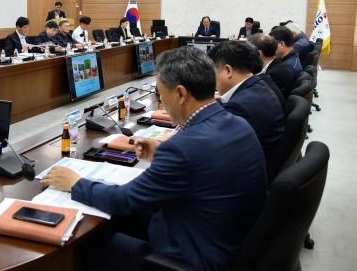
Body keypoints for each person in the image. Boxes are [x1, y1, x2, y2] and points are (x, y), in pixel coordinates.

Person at [41, 46, 267, 271]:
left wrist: (75, 183)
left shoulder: (183, 149)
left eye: (161, 92)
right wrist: (160, 151)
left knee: (87, 240)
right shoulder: (238, 123)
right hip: (225, 239)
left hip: (191, 258)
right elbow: (206, 163)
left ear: (180, 93)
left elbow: (121, 200)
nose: (160, 99)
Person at [208, 41, 285, 164]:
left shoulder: (239, 107)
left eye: (213, 73)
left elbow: (214, 150)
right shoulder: (259, 84)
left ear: (228, 70)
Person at [248, 33, 298, 100]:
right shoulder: (276, 66)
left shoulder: (277, 74)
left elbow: (260, 98)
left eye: (249, 53)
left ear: (259, 53)